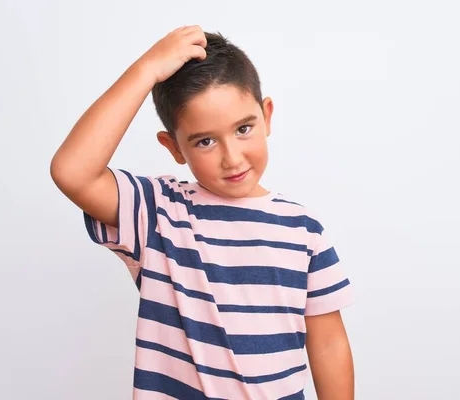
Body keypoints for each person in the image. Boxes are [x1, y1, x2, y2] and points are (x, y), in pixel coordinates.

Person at [50, 25, 355, 399]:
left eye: (244, 128)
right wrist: (147, 70)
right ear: (174, 147)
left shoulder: (304, 230)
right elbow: (72, 171)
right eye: (205, 141)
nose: (232, 157)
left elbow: (327, 344)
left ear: (267, 115)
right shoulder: (157, 212)